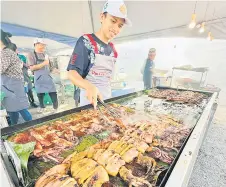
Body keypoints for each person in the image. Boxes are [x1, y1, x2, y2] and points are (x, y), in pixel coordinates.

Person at [67, 0, 131, 108]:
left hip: (107, 102)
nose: (116, 28)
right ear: (102, 17)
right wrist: (89, 86)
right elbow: (72, 74)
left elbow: (108, 79)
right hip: (89, 104)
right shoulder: (86, 41)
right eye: (113, 21)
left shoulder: (113, 50)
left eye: (120, 26)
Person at [0, 29, 32, 125]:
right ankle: (14, 128)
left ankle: (33, 127)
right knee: (13, 111)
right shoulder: (8, 52)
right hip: (11, 87)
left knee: (21, 110)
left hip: (12, 88)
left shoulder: (5, 53)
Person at [28, 38, 58, 112]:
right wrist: (44, 63)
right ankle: (42, 107)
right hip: (39, 78)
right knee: (40, 94)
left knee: (53, 92)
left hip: (48, 77)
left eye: (44, 45)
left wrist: (55, 70)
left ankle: (56, 108)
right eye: (42, 45)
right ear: (36, 45)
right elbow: (32, 68)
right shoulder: (31, 54)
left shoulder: (45, 54)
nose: (43, 47)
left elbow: (50, 67)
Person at [8, 43, 38, 108]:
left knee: (29, 90)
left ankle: (32, 102)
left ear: (16, 50)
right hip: (16, 79)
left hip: (25, 78)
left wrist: (22, 63)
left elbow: (28, 66)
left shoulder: (22, 57)